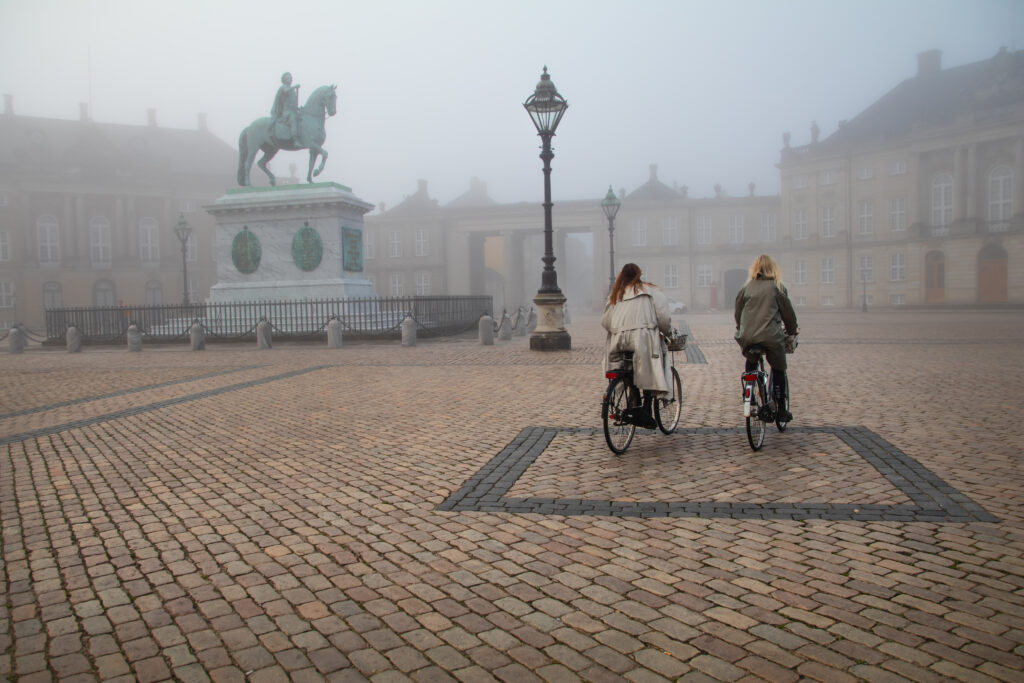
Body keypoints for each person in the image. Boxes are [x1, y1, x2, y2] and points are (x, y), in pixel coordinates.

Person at [602, 263, 673, 429]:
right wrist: (667, 333)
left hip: (618, 342)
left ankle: (633, 404)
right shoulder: (650, 291)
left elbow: (605, 321)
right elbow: (663, 318)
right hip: (642, 339)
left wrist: (618, 329)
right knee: (648, 367)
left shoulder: (616, 294)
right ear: (639, 274)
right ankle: (645, 408)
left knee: (626, 370)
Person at [734, 254, 799, 421]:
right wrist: (792, 330)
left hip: (747, 336)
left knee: (752, 358)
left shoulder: (746, 288)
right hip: (770, 337)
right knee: (778, 368)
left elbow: (738, 312)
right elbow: (788, 314)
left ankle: (748, 389)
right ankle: (781, 409)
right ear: (773, 268)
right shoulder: (777, 287)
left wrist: (740, 328)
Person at [271, 72, 301, 145]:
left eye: (291, 78)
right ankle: (295, 140)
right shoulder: (283, 87)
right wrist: (294, 87)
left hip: (293, 111)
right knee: (293, 120)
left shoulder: (292, 90)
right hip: (286, 112)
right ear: (284, 80)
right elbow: (286, 91)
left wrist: (297, 108)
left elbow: (292, 102)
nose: (290, 79)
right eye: (288, 77)